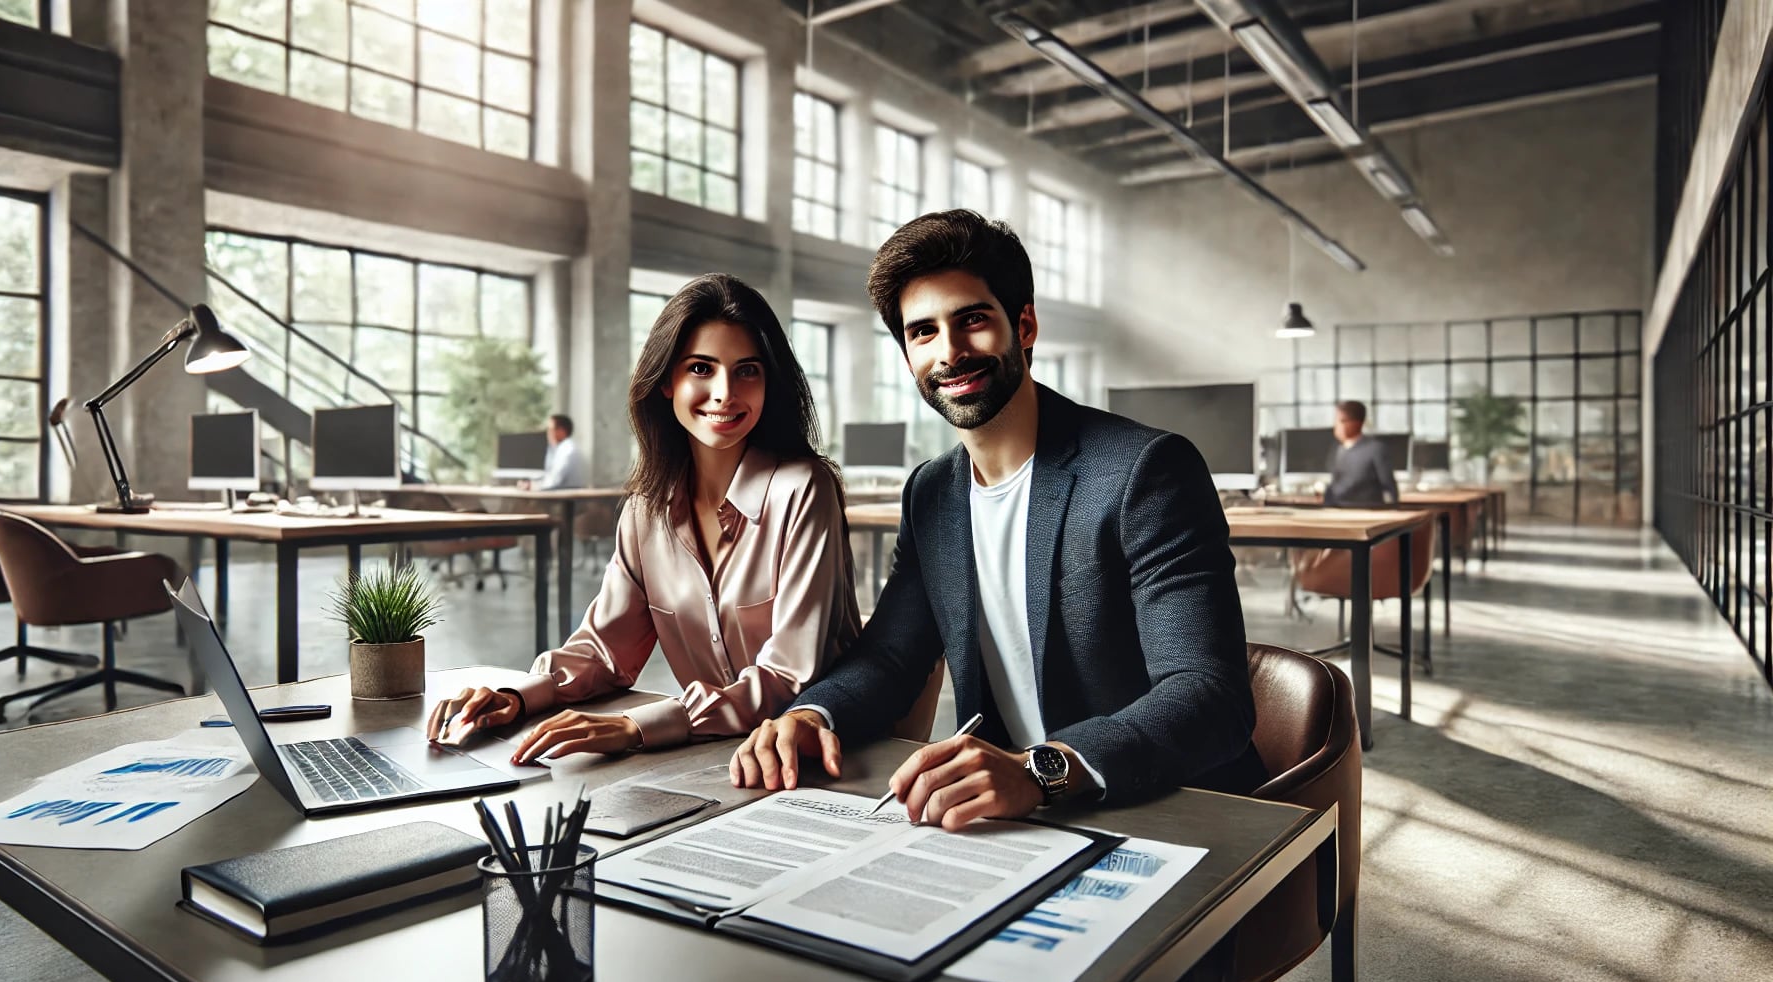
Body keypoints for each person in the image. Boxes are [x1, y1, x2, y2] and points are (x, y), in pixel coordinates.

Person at [730, 210, 1264, 830]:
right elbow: (892, 658)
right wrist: (809, 716)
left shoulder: (1145, 470)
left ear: (1025, 325)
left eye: (973, 320)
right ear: (907, 356)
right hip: (1018, 826)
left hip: (1172, 810)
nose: (950, 352)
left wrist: (1040, 771)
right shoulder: (932, 493)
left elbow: (1208, 695)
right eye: (923, 332)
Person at [432, 274, 861, 761]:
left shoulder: (804, 489)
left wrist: (636, 725)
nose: (724, 392)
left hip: (820, 755)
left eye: (747, 371)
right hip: (715, 755)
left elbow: (789, 676)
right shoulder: (645, 510)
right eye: (701, 368)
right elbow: (606, 650)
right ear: (665, 382)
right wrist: (516, 696)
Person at [1323, 400, 1397, 506]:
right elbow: (1334, 486)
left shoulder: (1375, 449)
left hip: (1365, 510)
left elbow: (1389, 487)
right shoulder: (1337, 449)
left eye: (1341, 421)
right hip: (1336, 509)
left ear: (1357, 423)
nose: (1336, 426)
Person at [527, 413, 586, 490]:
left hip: (565, 498)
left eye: (550, 429)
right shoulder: (561, 448)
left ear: (561, 431)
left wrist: (532, 486)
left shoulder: (567, 450)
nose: (548, 433)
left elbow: (555, 480)